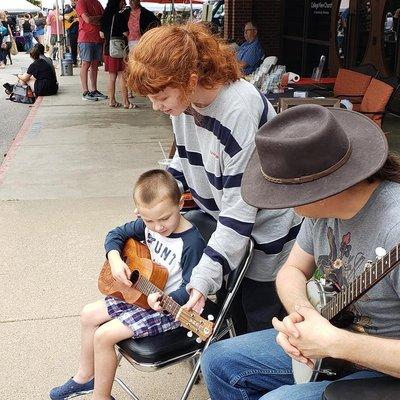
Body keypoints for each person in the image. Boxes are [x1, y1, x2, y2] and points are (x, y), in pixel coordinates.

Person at [201, 104, 400, 399]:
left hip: (384, 366)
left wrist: (336, 343)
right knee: (219, 361)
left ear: (324, 188)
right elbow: (291, 270)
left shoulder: (393, 226)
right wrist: (304, 315)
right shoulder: (321, 212)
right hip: (334, 340)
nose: (278, 202)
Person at [126, 23, 302, 334]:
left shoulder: (238, 110)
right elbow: (185, 158)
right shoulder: (184, 104)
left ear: (190, 79)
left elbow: (240, 210)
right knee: (234, 309)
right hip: (228, 224)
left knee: (259, 317)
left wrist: (205, 277)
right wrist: (158, 198)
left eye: (161, 96)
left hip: (266, 229)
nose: (157, 107)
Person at [49, 169, 206, 400]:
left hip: (167, 310)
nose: (158, 227)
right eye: (148, 220)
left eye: (164, 218)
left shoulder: (191, 243)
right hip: (140, 295)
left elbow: (192, 289)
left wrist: (164, 300)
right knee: (88, 314)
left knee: (104, 336)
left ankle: (101, 397)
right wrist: (114, 258)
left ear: (180, 203)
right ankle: (85, 377)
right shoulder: (146, 226)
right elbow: (115, 234)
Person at [100, 0, 136, 109]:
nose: (123, 4)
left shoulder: (104, 16)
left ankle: (112, 101)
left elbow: (101, 35)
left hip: (108, 49)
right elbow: (126, 33)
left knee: (111, 76)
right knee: (122, 76)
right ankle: (126, 102)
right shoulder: (119, 15)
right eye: (122, 2)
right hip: (118, 50)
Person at [76, 0, 107, 101]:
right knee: (86, 63)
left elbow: (105, 17)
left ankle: (94, 90)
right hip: (85, 37)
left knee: (94, 65)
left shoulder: (97, 2)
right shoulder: (81, 2)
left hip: (97, 37)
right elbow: (87, 19)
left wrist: (96, 18)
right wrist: (99, 18)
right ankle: (85, 92)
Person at [64, 0, 79, 66]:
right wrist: (65, 17)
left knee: (81, 46)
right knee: (73, 47)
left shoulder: (81, 8)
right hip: (72, 31)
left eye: (74, 1)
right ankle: (74, 61)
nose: (72, 2)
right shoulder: (69, 10)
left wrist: (77, 19)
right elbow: (61, 16)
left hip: (80, 30)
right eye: (71, 1)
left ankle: (82, 61)